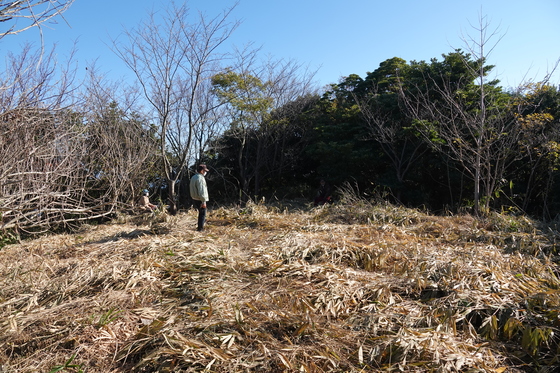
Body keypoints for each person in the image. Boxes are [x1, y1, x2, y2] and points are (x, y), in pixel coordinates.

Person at [190, 164, 209, 231]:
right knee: (202, 214)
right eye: (204, 170)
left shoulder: (193, 177)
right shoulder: (200, 178)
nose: (205, 172)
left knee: (200, 213)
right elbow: (202, 190)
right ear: (201, 171)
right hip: (200, 199)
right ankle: (200, 229)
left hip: (194, 198)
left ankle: (200, 227)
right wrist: (203, 201)